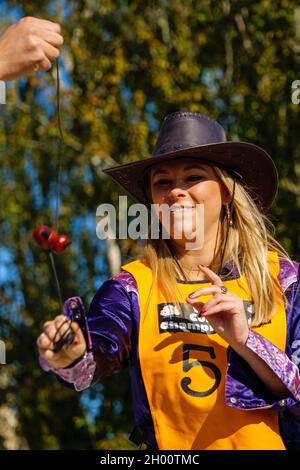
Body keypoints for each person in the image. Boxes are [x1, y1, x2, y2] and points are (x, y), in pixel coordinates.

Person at [37, 111, 300, 450]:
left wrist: (245, 340)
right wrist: (70, 355)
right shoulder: (131, 286)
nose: (176, 191)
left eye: (193, 177)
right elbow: (95, 355)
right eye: (163, 182)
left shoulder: (285, 280)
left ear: (226, 192)